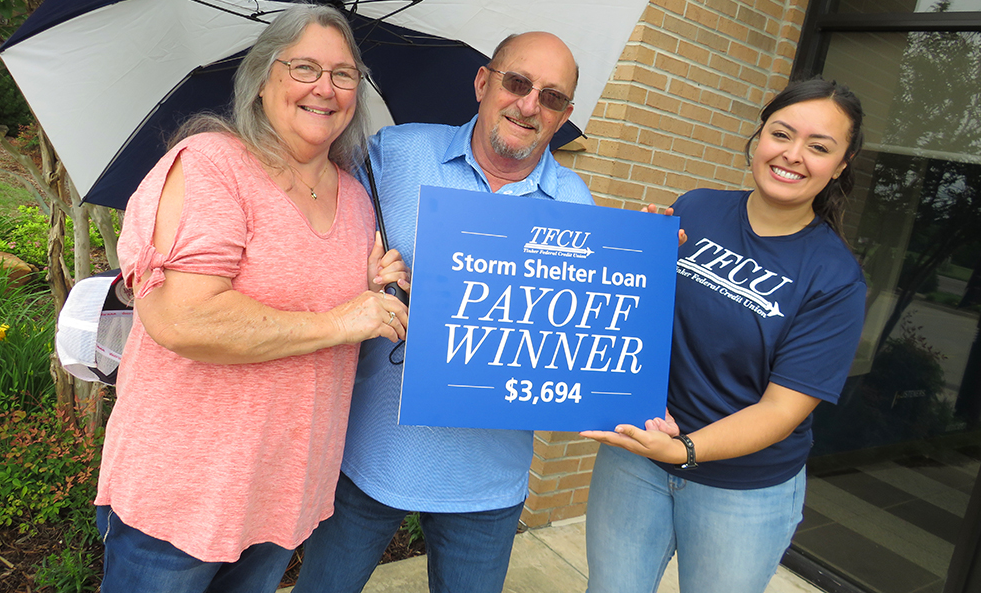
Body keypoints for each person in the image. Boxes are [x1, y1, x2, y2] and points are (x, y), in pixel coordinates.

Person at [94, 3, 410, 593]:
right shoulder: (214, 166)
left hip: (284, 494)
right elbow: (183, 318)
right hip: (184, 496)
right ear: (263, 80)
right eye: (304, 67)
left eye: (344, 74)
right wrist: (344, 319)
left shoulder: (358, 197)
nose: (326, 88)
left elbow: (318, 301)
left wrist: (369, 293)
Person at [293, 32, 592, 593]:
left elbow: (575, 339)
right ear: (484, 82)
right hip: (372, 455)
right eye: (518, 83)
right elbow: (316, 229)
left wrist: (643, 263)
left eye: (551, 97)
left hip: (488, 478)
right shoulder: (393, 154)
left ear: (564, 114)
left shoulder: (578, 206)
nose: (530, 104)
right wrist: (360, 273)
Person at [581, 78, 868, 593]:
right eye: (782, 133)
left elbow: (782, 411)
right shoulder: (697, 208)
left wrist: (684, 450)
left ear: (840, 166)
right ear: (759, 138)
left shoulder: (835, 279)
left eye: (819, 147)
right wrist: (637, 258)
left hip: (743, 490)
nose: (793, 155)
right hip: (638, 456)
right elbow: (632, 318)